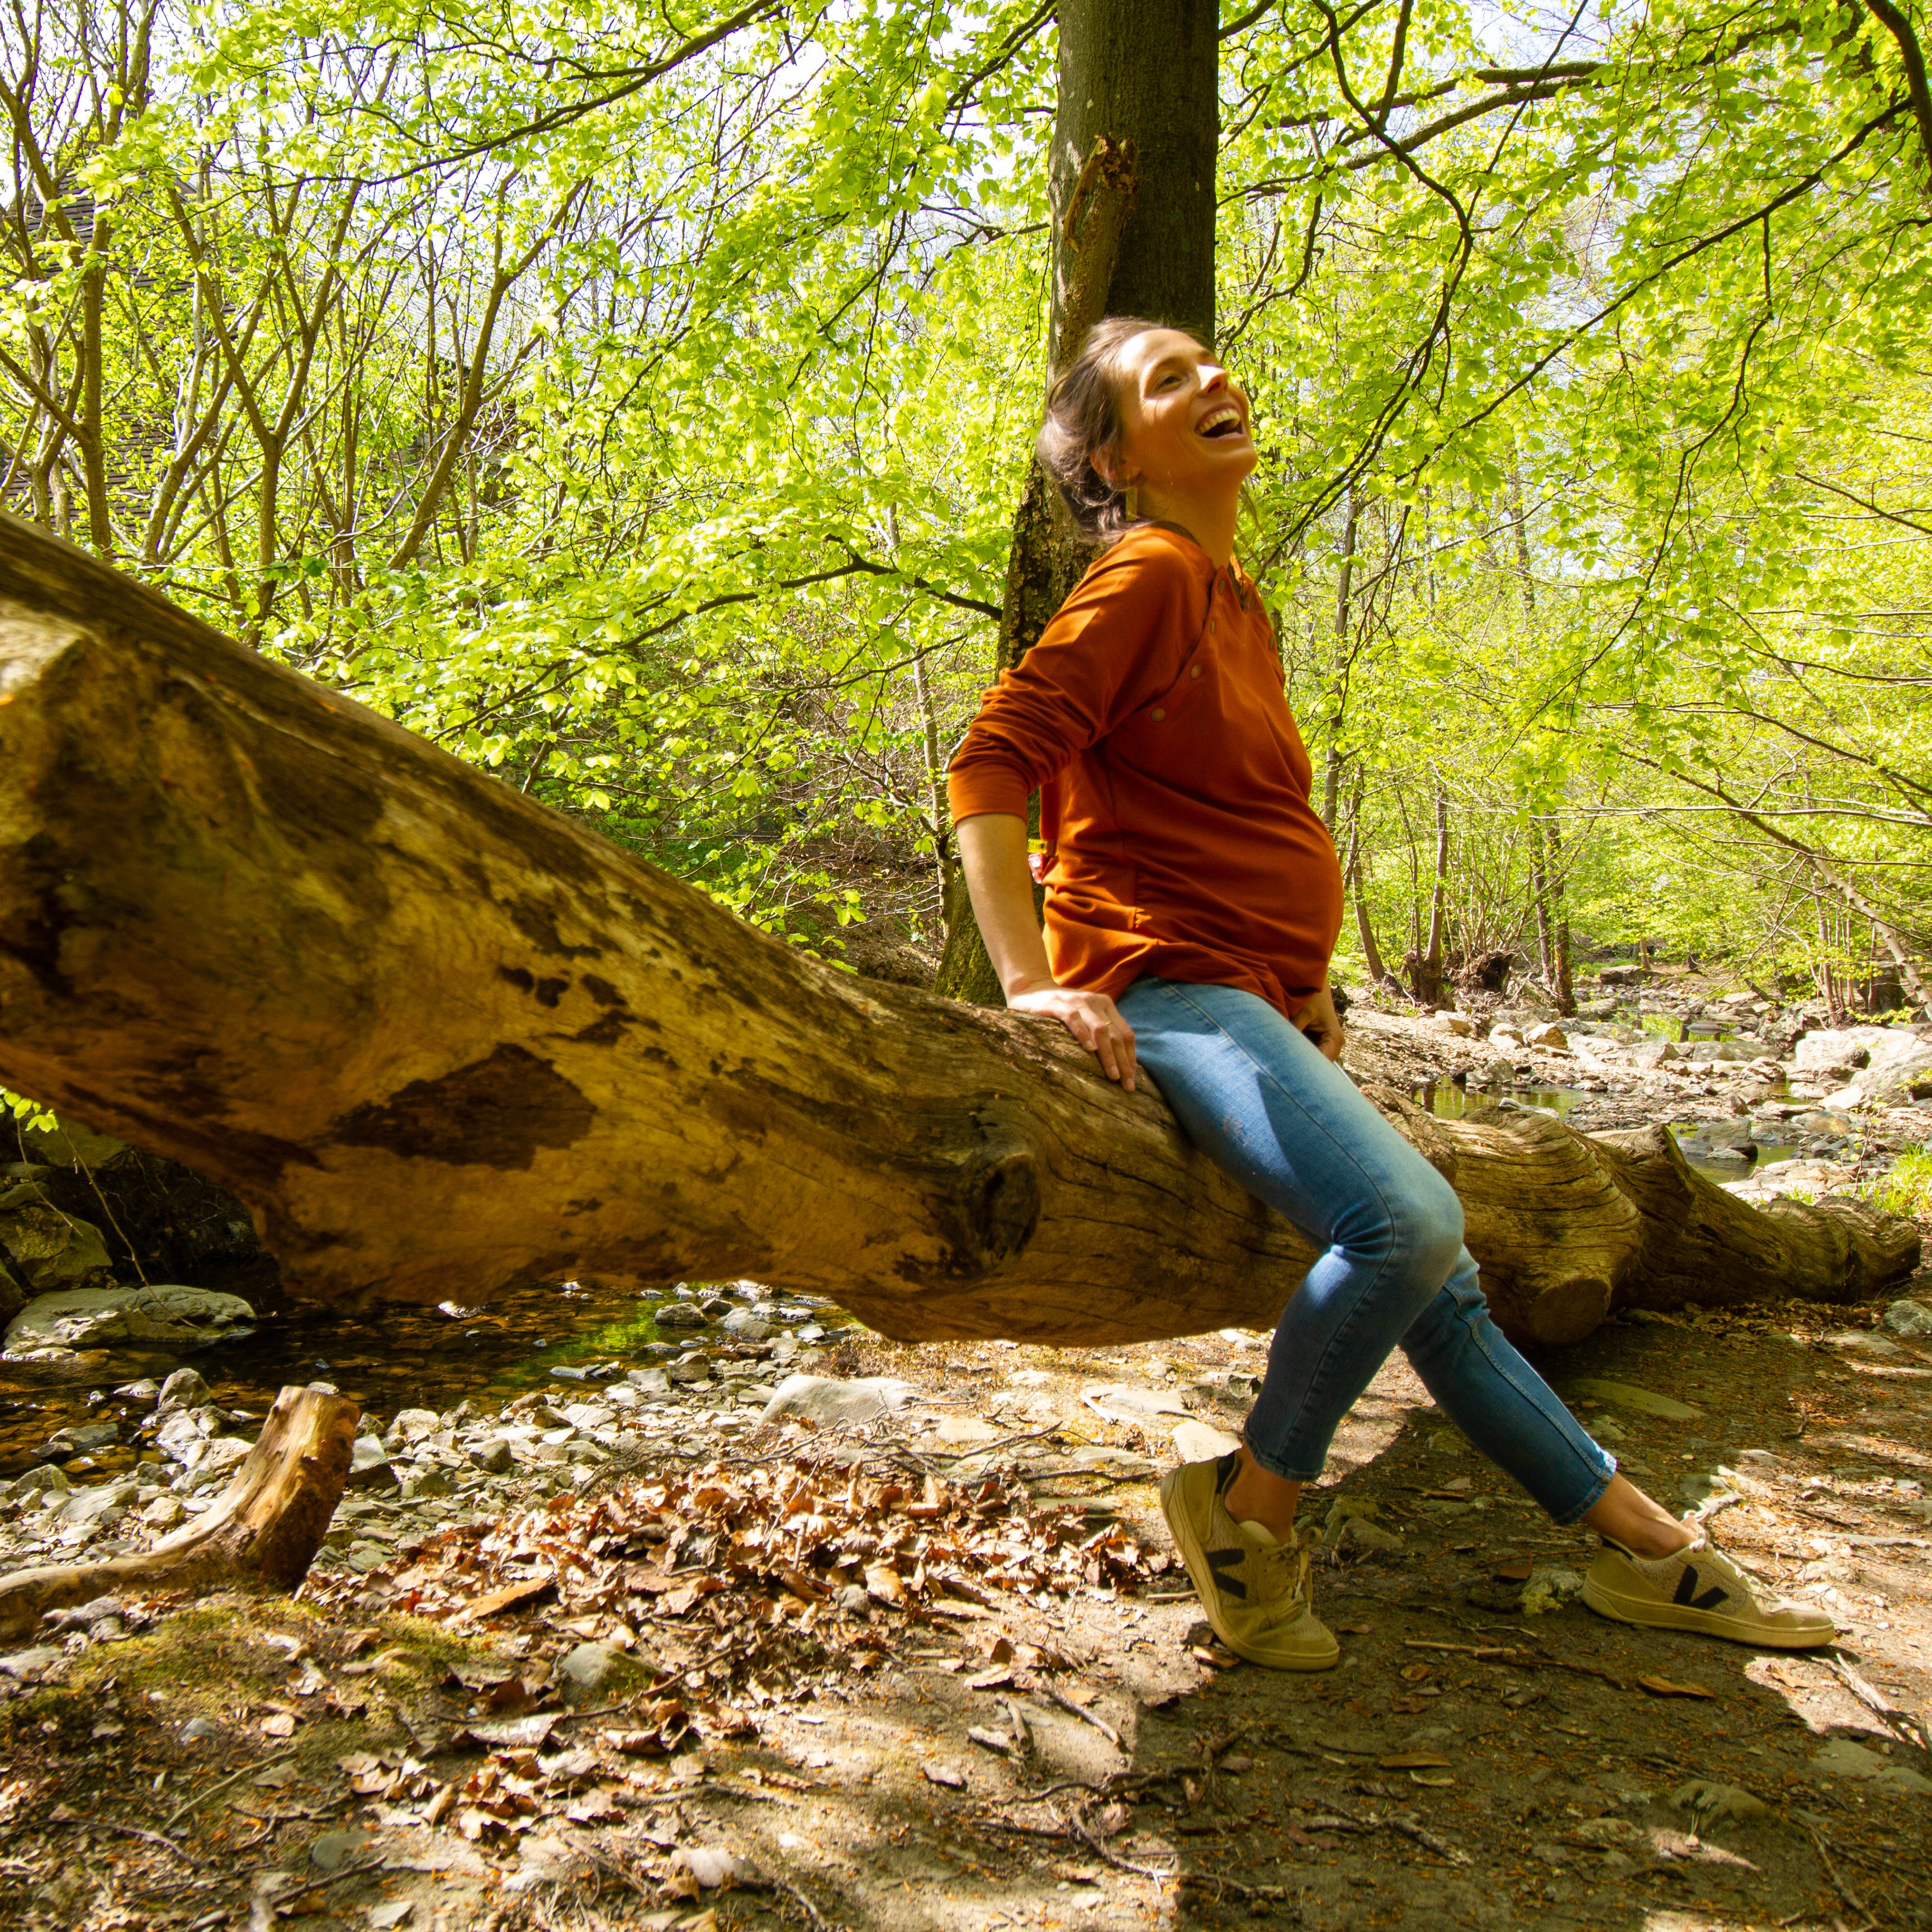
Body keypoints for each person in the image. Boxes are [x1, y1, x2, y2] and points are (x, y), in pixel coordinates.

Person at [945, 315, 1832, 1670]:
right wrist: (1029, 983)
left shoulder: (1237, 603)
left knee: (1449, 1290)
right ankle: (1246, 1509)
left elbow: (1229, 814)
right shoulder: (1152, 574)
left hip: (1248, 997)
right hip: (1165, 986)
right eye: (1168, 382)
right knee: (1409, 1223)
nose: (1216, 381)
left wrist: (1309, 987)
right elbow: (991, 761)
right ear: (1116, 461)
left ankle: (1647, 1548)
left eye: (1213, 360)